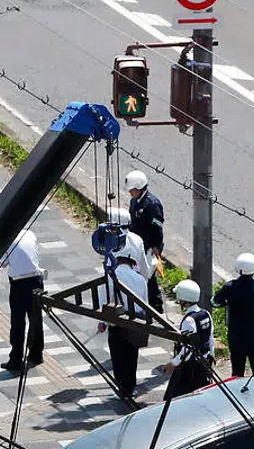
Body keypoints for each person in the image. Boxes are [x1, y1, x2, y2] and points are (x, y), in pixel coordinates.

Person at [91, 220, 150, 403]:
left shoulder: (109, 277)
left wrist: (102, 323)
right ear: (132, 261)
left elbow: (103, 303)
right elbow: (145, 305)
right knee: (131, 357)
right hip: (134, 325)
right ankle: (130, 387)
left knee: (117, 357)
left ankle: (121, 387)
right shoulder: (139, 279)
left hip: (115, 325)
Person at [213, 253, 254, 378]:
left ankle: (237, 393)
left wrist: (226, 302)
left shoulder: (230, 286)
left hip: (235, 333)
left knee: (237, 369)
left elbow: (214, 302)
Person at [160, 279, 215, 400]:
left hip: (189, 367)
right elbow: (211, 338)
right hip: (204, 363)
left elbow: (188, 349)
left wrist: (173, 363)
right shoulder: (206, 314)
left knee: (174, 397)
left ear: (183, 299)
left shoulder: (189, 320)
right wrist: (211, 356)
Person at [0, 228, 44, 373]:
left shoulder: (5, 239)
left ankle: (16, 360)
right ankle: (36, 355)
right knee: (36, 319)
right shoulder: (30, 233)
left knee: (18, 322)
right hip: (37, 279)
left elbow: (3, 264)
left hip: (19, 283)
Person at [126, 171, 165, 312]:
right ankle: (148, 304)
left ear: (140, 188)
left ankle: (156, 307)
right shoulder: (134, 202)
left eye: (133, 190)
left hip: (149, 247)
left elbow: (157, 227)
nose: (130, 193)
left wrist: (156, 246)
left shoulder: (152, 204)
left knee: (148, 276)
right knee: (144, 276)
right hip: (137, 246)